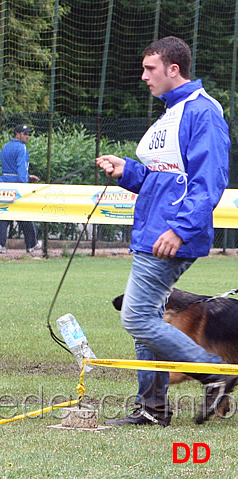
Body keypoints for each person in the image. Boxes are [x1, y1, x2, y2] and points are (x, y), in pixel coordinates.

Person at [96, 37, 233, 426]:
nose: (143, 77)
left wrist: (179, 228)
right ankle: (153, 408)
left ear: (174, 69)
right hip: (154, 231)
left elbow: (209, 180)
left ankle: (215, 373)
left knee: (137, 318)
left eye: (149, 69)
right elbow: (166, 179)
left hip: (168, 235)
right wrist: (128, 170)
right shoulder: (171, 114)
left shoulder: (201, 112)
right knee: (147, 324)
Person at [0, 125, 41, 254]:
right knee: (24, 214)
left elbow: (9, 168)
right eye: (25, 133)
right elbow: (21, 168)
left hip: (4, 184)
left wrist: (27, 176)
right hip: (17, 186)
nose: (27, 136)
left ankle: (0, 244)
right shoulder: (22, 148)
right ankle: (32, 244)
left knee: (4, 215)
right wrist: (25, 182)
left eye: (28, 134)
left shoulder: (6, 146)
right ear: (17, 134)